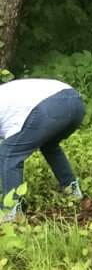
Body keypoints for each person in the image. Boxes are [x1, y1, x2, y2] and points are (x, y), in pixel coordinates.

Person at [0, 77, 87, 223]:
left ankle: (11, 212)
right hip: (75, 102)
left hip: (48, 107)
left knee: (9, 155)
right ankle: (72, 190)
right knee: (50, 145)